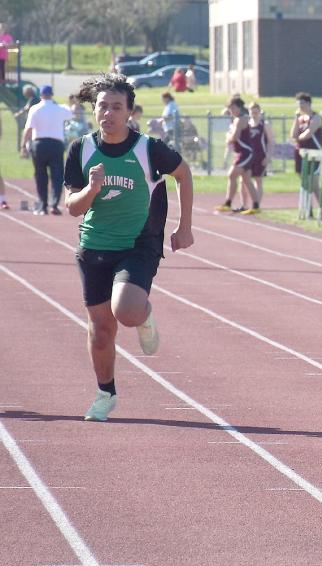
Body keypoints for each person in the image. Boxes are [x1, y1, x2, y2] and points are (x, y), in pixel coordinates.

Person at [64, 73, 194, 422]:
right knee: (101, 330)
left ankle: (144, 315)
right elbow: (73, 207)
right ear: (95, 110)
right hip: (94, 247)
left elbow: (183, 173)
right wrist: (91, 190)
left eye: (116, 107)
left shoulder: (148, 149)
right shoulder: (81, 149)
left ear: (129, 112)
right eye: (102, 106)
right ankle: (105, 394)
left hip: (138, 244)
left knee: (127, 310)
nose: (108, 113)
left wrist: (184, 226)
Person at [20, 85, 72, 216]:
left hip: (39, 144)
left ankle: (43, 205)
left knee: (40, 175)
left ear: (41, 94)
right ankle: (54, 204)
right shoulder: (59, 108)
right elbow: (70, 113)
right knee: (57, 175)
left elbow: (28, 129)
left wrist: (23, 146)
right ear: (52, 95)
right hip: (56, 144)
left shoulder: (35, 108)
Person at [214, 96, 255, 213]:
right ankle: (255, 205)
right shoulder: (237, 119)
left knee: (232, 175)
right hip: (241, 153)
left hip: (245, 153)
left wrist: (228, 137)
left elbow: (234, 138)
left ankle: (228, 203)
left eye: (232, 107)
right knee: (246, 179)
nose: (230, 110)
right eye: (229, 108)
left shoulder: (241, 119)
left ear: (239, 107)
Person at [290, 92, 322, 217]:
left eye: (302, 104)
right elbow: (293, 134)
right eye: (299, 104)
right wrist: (296, 119)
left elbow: (308, 133)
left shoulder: (316, 117)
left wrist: (298, 137)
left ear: (308, 103)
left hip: (313, 153)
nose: (300, 107)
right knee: (304, 182)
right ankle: (308, 209)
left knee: (314, 184)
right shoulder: (300, 119)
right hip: (300, 152)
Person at [242, 102, 275, 214]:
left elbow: (271, 142)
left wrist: (268, 156)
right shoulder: (247, 124)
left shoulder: (264, 124)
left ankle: (256, 205)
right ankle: (244, 204)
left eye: (256, 111)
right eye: (252, 111)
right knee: (243, 180)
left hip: (260, 156)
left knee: (258, 180)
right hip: (247, 156)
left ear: (259, 112)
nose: (254, 114)